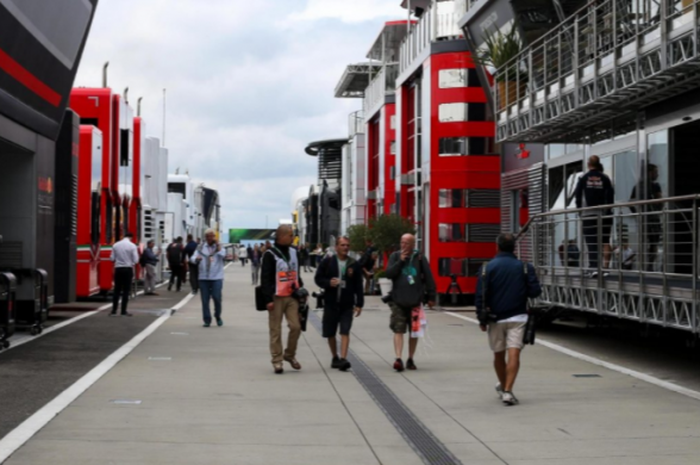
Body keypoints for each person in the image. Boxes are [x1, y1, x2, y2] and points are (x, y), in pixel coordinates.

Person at [475, 233, 542, 406]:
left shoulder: (487, 268)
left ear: (496, 246)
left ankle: (504, 387)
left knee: (498, 354)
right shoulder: (525, 267)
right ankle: (507, 391)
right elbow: (535, 292)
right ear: (514, 247)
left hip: (495, 318)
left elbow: (480, 295)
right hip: (518, 316)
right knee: (515, 352)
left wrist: (481, 319)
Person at [384, 234, 436, 372]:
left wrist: (431, 296)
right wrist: (400, 261)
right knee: (398, 329)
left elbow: (429, 277)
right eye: (402, 242)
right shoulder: (395, 256)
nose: (404, 245)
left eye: (407, 243)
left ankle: (410, 358)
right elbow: (388, 274)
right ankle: (398, 358)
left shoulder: (419, 258)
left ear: (413, 244)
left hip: (415, 301)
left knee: (414, 331)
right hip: (398, 300)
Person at [314, 236, 364, 371]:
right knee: (330, 332)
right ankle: (334, 357)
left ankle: (343, 358)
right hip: (331, 302)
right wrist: (328, 283)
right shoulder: (328, 262)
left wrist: (359, 303)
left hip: (347, 304)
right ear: (336, 247)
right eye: (342, 245)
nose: (345, 247)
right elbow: (318, 279)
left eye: (347, 245)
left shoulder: (354, 264)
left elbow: (359, 285)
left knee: (345, 330)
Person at [261, 224, 304, 374]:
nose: (293, 238)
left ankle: (289, 355)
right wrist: (268, 299)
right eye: (290, 235)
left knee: (296, 326)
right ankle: (277, 360)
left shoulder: (294, 252)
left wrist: (301, 292)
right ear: (281, 236)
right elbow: (265, 278)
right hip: (276, 296)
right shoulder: (270, 254)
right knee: (275, 330)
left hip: (292, 296)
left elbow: (296, 273)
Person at [575, 155, 615, 276]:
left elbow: (578, 196)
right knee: (605, 241)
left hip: (589, 214)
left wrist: (580, 211)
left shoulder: (583, 177)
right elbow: (611, 195)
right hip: (604, 214)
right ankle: (605, 269)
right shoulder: (605, 177)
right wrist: (608, 210)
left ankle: (594, 268)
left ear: (588, 164)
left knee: (591, 241)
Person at [191, 229, 227, 327]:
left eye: (211, 236)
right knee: (205, 300)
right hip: (203, 277)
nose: (210, 238)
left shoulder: (219, 247)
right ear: (205, 237)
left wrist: (218, 245)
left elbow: (223, 255)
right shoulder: (201, 247)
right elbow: (192, 258)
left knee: (217, 297)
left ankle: (218, 316)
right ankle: (207, 320)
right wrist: (196, 259)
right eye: (207, 236)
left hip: (217, 277)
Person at [630, 163, 663, 271]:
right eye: (655, 172)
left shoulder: (637, 186)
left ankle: (643, 266)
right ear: (649, 173)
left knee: (644, 241)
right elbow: (660, 201)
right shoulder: (655, 186)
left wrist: (636, 213)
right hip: (653, 218)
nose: (657, 175)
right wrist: (658, 210)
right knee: (654, 242)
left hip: (642, 219)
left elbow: (630, 202)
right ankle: (649, 266)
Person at [110, 232, 139, 317]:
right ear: (131, 237)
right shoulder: (132, 246)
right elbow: (136, 260)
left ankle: (114, 310)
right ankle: (123, 311)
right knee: (126, 291)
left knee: (117, 290)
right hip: (127, 269)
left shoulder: (116, 245)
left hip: (118, 269)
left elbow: (112, 258)